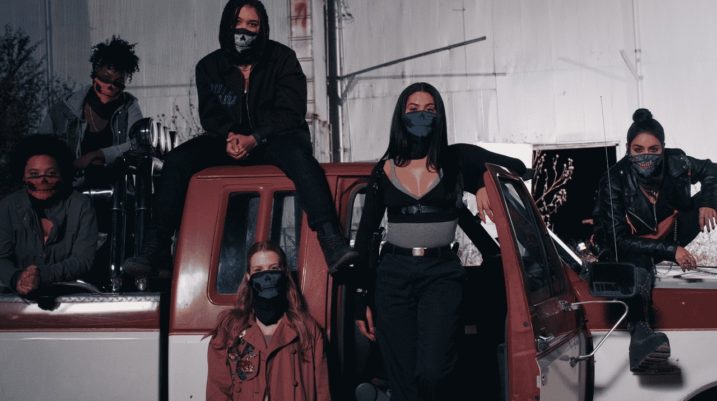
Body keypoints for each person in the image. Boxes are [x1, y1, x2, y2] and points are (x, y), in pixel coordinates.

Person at [124, 0, 356, 277]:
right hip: (228, 141)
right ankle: (155, 247)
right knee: (177, 160)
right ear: (226, 25)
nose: (244, 31)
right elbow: (210, 117)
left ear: (262, 28)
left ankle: (332, 241)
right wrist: (230, 138)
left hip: (275, 138)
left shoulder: (283, 58)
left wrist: (255, 138)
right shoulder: (208, 67)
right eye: (237, 23)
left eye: (252, 24)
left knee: (300, 159)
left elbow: (291, 112)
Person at [352, 82, 527, 401]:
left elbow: (517, 168)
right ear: (401, 116)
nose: (421, 116)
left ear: (440, 117)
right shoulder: (384, 170)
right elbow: (364, 236)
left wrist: (482, 180)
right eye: (413, 110)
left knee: (433, 371)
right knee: (402, 378)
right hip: (393, 276)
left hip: (441, 275)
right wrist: (360, 300)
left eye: (429, 110)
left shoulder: (458, 158)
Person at [594, 108, 717, 372]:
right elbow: (618, 241)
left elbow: (711, 170)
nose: (646, 156)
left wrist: (708, 201)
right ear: (628, 149)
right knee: (635, 264)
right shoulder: (613, 180)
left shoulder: (677, 161)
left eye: (654, 149)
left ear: (663, 148)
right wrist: (672, 251)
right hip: (632, 246)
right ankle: (640, 336)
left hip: (671, 230)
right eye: (638, 150)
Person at [206, 241, 330, 401]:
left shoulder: (307, 329)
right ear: (248, 276)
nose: (267, 277)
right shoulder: (230, 330)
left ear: (284, 272)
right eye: (258, 270)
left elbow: (323, 392)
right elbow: (218, 393)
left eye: (274, 269)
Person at [38, 35, 142, 188]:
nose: (110, 86)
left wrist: (96, 155)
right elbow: (40, 149)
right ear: (94, 73)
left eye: (118, 82)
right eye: (105, 78)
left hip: (116, 191)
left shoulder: (129, 106)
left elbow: (137, 144)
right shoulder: (64, 110)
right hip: (71, 190)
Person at [0, 135, 98, 295]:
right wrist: (17, 278)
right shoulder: (7, 207)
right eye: (34, 174)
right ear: (23, 177)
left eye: (51, 173)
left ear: (62, 174)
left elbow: (83, 260)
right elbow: (1, 258)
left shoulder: (82, 205)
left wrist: (42, 276)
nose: (43, 180)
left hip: (70, 296)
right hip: (16, 298)